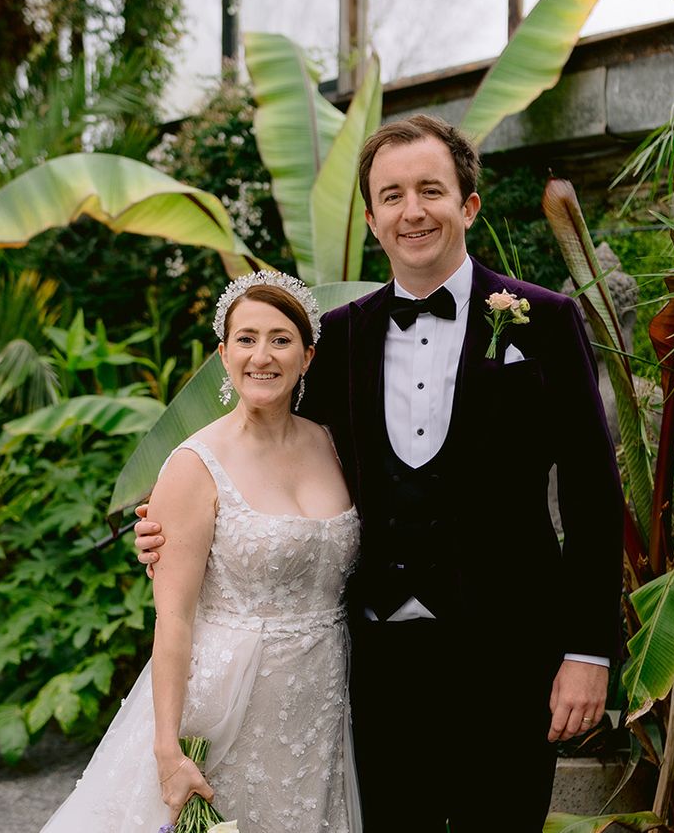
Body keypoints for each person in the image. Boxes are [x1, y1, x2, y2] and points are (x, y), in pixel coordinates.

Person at [136, 114, 624, 832]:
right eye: (391, 196)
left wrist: (588, 650)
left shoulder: (542, 323)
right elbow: (266, 461)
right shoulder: (336, 342)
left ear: (468, 205)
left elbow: (592, 497)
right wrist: (165, 533)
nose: (412, 210)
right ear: (370, 216)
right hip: (373, 665)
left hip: (511, 658)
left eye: (431, 190)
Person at [42, 273, 362, 833]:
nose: (262, 355)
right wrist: (168, 749)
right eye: (246, 339)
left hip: (322, 696)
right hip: (226, 701)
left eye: (281, 340)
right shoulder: (195, 463)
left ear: (307, 356)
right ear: (223, 353)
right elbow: (174, 620)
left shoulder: (332, 443)